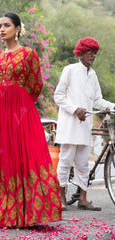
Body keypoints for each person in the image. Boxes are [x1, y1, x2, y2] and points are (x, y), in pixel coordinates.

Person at [0, 12, 62, 228]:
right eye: (0, 25)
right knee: (4, 157)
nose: (2, 29)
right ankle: (3, 208)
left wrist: (22, 107)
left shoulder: (29, 54)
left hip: (22, 111)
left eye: (7, 25)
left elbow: (35, 85)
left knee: (25, 155)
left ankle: (28, 211)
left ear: (18, 29)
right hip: (0, 112)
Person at [54, 37, 115, 211]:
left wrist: (112, 106)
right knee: (65, 161)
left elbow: (97, 100)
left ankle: (83, 199)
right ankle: (61, 197)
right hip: (70, 124)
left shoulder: (93, 74)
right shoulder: (70, 70)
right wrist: (75, 109)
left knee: (82, 163)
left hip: (85, 125)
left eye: (95, 52)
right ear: (80, 53)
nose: (93, 55)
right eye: (89, 51)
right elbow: (58, 96)